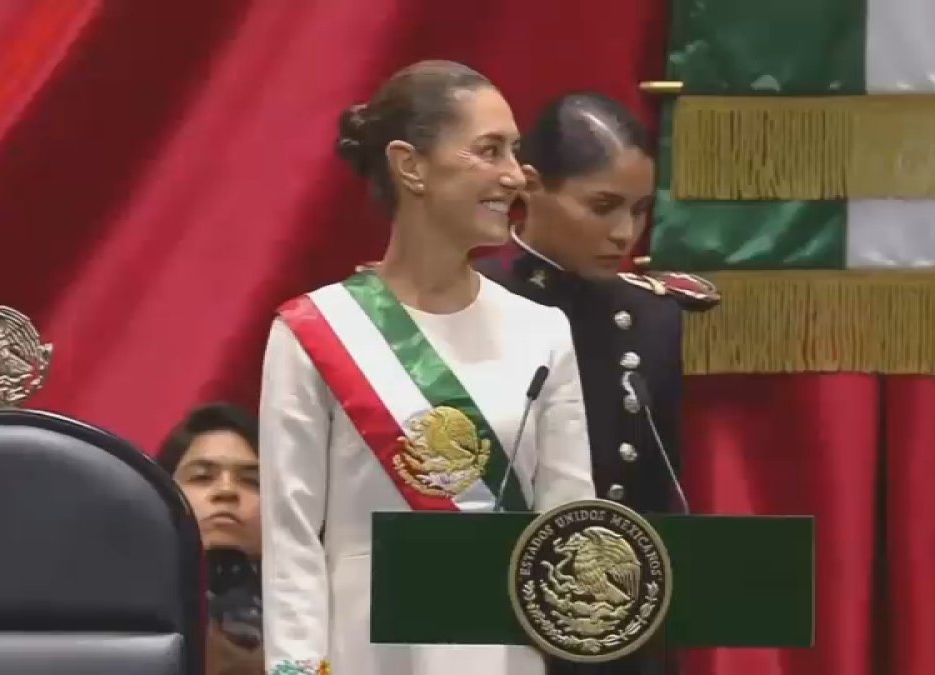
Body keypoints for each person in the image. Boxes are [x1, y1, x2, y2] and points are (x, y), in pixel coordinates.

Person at [259, 60, 597, 675]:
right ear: (410, 165)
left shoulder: (544, 331)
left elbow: (569, 523)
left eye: (515, 152)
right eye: (488, 150)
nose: (516, 176)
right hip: (364, 652)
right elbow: (289, 538)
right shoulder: (313, 332)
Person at [474, 92, 721, 675]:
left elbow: (658, 494)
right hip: (495, 614)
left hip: (619, 626)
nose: (624, 232)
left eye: (638, 210)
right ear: (529, 186)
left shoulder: (654, 315)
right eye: (603, 206)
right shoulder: (470, 301)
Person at [158, 402, 264, 675]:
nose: (226, 491)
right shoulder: (123, 604)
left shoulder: (320, 615)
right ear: (162, 495)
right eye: (203, 477)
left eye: (252, 481)